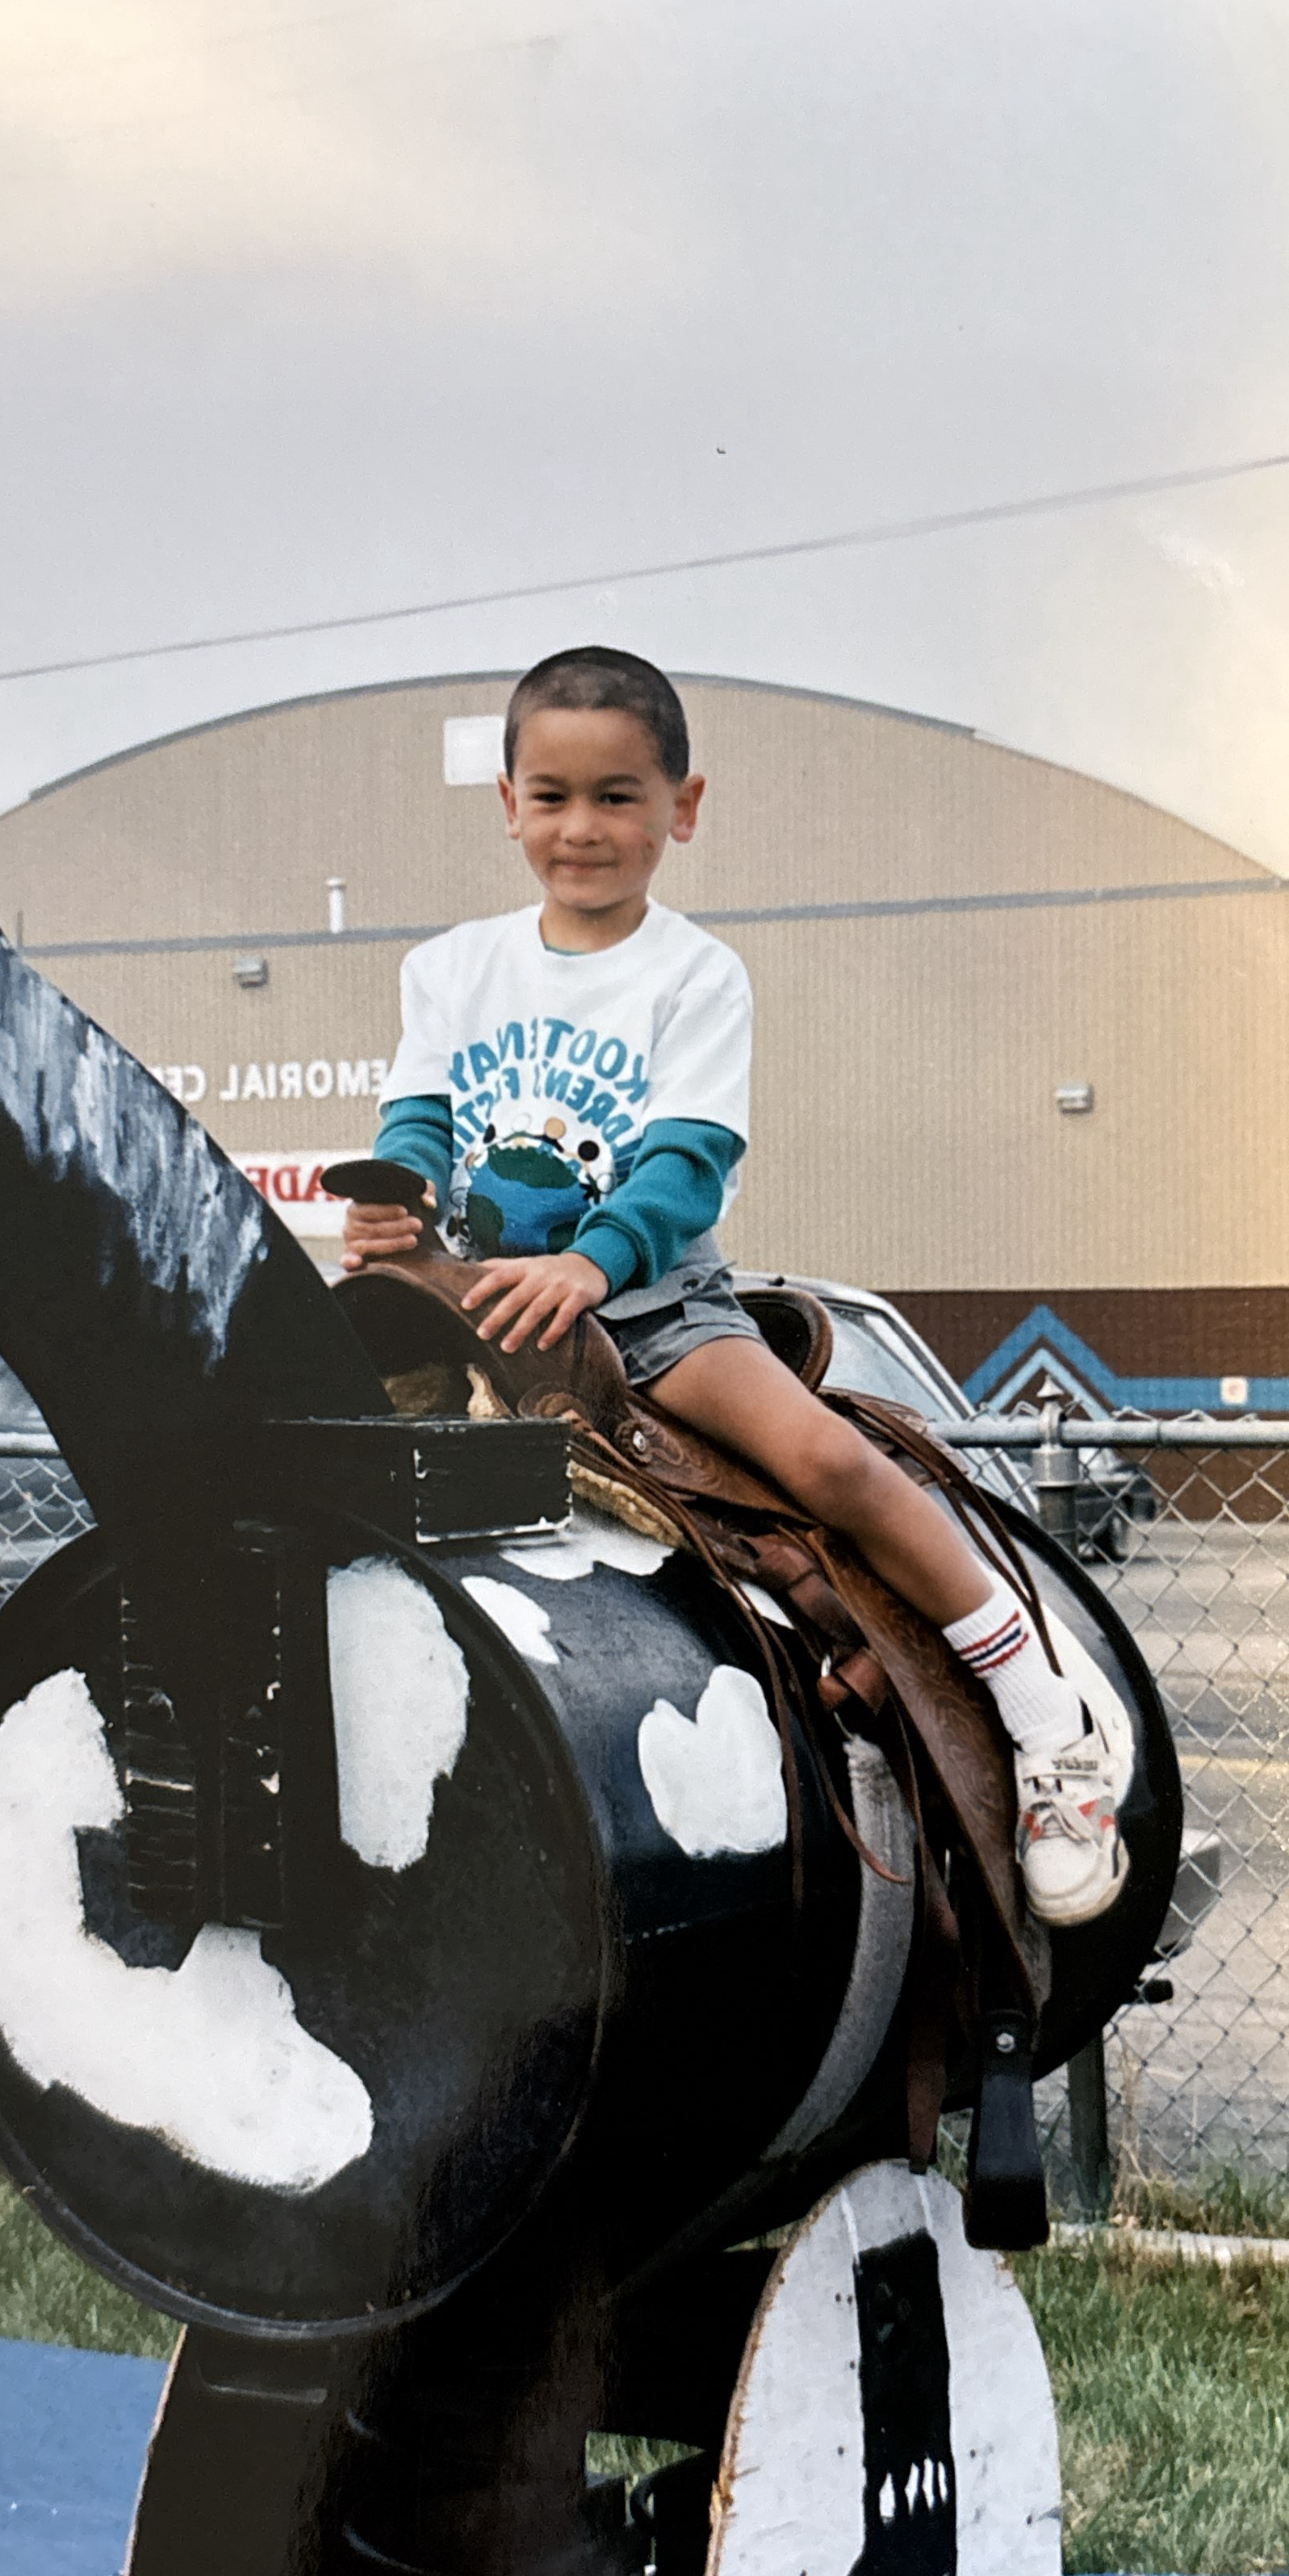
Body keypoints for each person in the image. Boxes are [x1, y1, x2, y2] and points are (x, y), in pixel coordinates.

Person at [341, 647, 1124, 1925]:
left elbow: (685, 1168)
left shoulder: (693, 975)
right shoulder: (450, 970)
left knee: (825, 1467)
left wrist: (592, 1265)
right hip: (480, 1307)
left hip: (645, 1303)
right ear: (506, 804)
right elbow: (421, 1127)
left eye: (616, 796)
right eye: (550, 796)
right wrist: (398, 1203)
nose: (580, 828)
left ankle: (1049, 1723)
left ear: (679, 808)